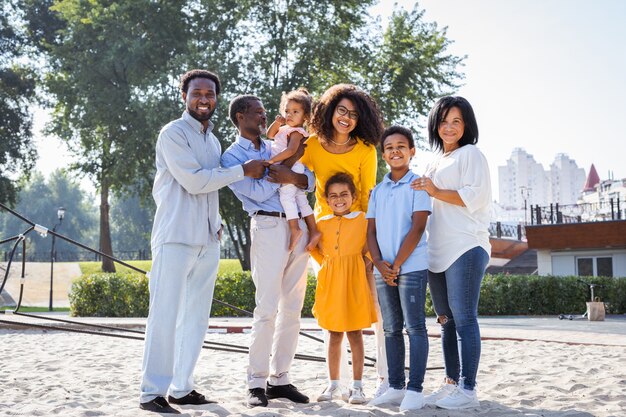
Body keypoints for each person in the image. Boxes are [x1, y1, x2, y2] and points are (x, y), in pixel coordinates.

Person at [139, 70, 266, 414]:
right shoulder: (173, 134)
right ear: (184, 96)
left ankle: (181, 388)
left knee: (196, 317)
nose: (204, 99)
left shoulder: (212, 140)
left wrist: (218, 223)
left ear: (216, 99)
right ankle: (152, 392)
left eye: (210, 94)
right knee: (164, 316)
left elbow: (210, 190)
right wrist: (244, 170)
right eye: (197, 93)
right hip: (175, 237)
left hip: (207, 239)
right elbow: (195, 183)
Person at [221, 94, 313, 408]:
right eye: (258, 113)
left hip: (297, 225)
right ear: (240, 116)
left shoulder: (277, 140)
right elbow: (258, 192)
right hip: (269, 227)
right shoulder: (231, 158)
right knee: (266, 309)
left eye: (264, 113)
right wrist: (289, 171)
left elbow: (309, 178)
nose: (264, 117)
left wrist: (294, 174)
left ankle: (280, 379)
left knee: (293, 309)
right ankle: (256, 382)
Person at [300, 83, 390, 397]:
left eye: (353, 114)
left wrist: (368, 249)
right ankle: (334, 381)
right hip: (324, 240)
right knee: (333, 315)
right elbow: (295, 175)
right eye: (342, 110)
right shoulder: (312, 145)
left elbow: (367, 198)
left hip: (358, 241)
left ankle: (382, 378)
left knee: (373, 311)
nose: (346, 118)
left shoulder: (366, 150)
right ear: (330, 109)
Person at [411, 96, 491, 410]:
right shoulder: (432, 161)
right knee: (447, 321)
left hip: (466, 245)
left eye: (456, 121)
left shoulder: (471, 154)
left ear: (466, 125)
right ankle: (451, 384)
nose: (449, 127)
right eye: (444, 121)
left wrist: (434, 190)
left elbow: (476, 197)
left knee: (465, 318)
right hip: (436, 250)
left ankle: (468, 390)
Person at [366, 126, 432, 411]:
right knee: (391, 328)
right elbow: (370, 232)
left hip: (412, 265)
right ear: (384, 155)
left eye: (401, 146)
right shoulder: (377, 191)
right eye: (390, 147)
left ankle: (415, 390)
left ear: (412, 151)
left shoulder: (418, 185)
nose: (395, 151)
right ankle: (395, 386)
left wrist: (397, 264)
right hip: (384, 268)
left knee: (414, 327)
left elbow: (418, 228)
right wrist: (380, 263)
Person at [310, 172, 378, 405]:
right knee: (334, 334)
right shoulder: (322, 223)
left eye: (344, 194)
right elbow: (315, 249)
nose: (339, 199)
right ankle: (333, 384)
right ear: (327, 200)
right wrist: (327, 265)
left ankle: (357, 387)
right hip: (331, 283)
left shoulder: (363, 219)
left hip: (355, 282)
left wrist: (366, 261)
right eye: (334, 196)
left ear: (353, 196)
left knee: (355, 334)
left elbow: (372, 243)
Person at [265, 88, 320, 251]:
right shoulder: (284, 129)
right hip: (288, 166)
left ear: (305, 117)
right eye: (287, 111)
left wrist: (272, 161)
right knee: (301, 200)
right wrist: (277, 123)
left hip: (292, 167)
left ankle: (295, 229)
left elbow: (290, 151)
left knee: (286, 198)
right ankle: (314, 230)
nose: (289, 115)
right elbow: (269, 134)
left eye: (295, 112)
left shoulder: (297, 132)